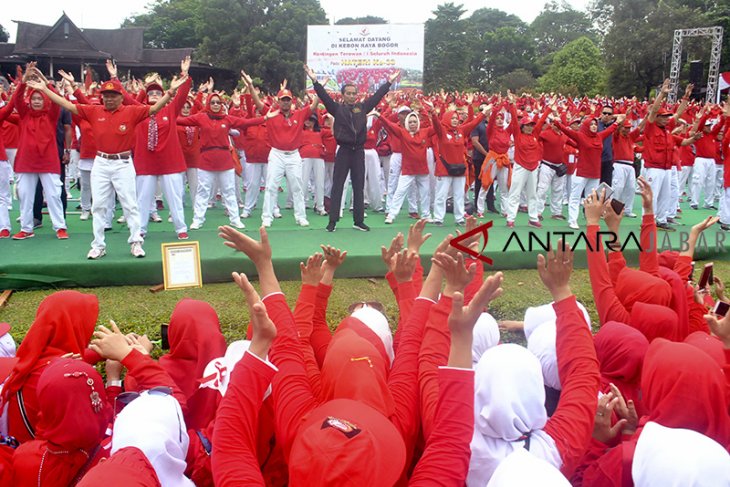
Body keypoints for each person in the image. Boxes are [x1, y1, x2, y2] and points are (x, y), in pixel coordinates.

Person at [28, 67, 190, 259]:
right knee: (99, 206)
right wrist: (46, 89)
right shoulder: (94, 111)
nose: (109, 99)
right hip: (101, 163)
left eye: (113, 95)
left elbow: (154, 108)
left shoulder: (131, 111)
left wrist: (170, 91)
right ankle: (98, 245)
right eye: (106, 95)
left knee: (130, 204)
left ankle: (136, 242)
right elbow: (68, 105)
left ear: (121, 96)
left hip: (123, 163)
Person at [305, 64, 398, 232]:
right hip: (344, 151)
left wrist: (388, 82)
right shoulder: (336, 109)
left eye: (354, 93)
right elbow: (324, 96)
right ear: (343, 95)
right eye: (348, 93)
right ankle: (333, 221)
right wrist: (314, 81)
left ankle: (358, 221)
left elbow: (377, 96)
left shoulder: (362, 108)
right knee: (338, 185)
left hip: (358, 151)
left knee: (358, 185)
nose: (351, 96)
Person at [177, 82, 275, 231]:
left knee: (228, 190)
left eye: (218, 102)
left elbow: (246, 122)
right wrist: (163, 112)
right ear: (209, 103)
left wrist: (265, 118)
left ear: (222, 105)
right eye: (213, 102)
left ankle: (234, 219)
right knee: (203, 191)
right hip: (206, 159)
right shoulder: (201, 117)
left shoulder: (227, 119)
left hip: (224, 158)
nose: (216, 104)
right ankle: (198, 219)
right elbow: (180, 120)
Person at [10, 66, 68, 240]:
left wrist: (44, 82)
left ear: (45, 101)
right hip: (26, 162)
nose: (36, 101)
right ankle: (27, 229)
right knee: (26, 196)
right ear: (29, 100)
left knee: (53, 195)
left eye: (39, 99)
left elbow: (57, 100)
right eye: (33, 98)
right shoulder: (24, 114)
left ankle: (60, 227)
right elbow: (17, 98)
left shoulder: (51, 115)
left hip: (48, 161)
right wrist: (23, 81)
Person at [260, 86, 318, 228]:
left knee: (297, 187)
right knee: (271, 186)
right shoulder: (272, 114)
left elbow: (314, 105)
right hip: (276, 154)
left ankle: (300, 217)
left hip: (293, 155)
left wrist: (318, 86)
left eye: (288, 100)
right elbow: (258, 104)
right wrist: (250, 86)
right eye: (283, 100)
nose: (285, 103)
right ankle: (267, 217)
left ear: (291, 101)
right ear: (278, 101)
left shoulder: (299, 114)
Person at [376, 107, 436, 224]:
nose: (412, 124)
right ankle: (391, 213)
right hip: (406, 166)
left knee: (424, 192)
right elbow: (388, 124)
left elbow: (438, 127)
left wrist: (432, 112)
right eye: (410, 121)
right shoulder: (402, 132)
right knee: (398, 189)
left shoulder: (424, 132)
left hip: (421, 169)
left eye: (414, 121)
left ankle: (425, 214)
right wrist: (379, 115)